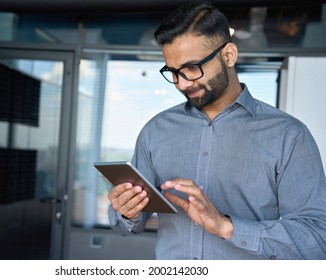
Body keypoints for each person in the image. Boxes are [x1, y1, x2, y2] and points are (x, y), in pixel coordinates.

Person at [107, 1, 326, 259]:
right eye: (173, 72)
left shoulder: (289, 136)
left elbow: (317, 238)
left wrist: (226, 226)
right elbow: (128, 223)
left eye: (192, 68)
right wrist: (125, 210)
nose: (182, 83)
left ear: (229, 55)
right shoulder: (155, 131)